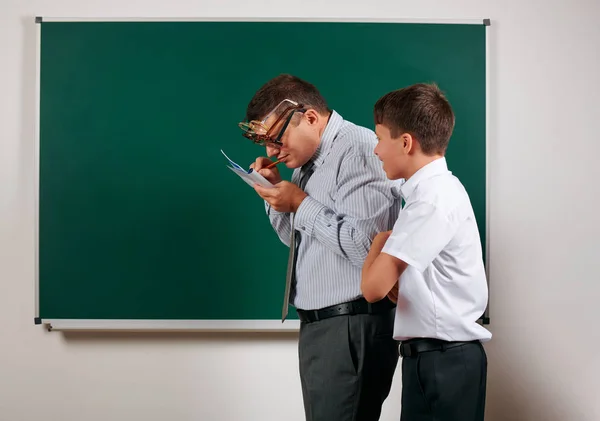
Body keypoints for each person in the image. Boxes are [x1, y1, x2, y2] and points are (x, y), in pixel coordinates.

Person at [238, 74, 402, 421]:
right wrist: (276, 194)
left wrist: (300, 203)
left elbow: (366, 250)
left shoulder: (358, 150)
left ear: (310, 118)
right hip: (320, 325)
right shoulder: (308, 160)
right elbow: (297, 241)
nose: (270, 152)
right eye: (264, 142)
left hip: (351, 324)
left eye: (276, 139)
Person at [361, 83, 491, 421]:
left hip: (445, 361)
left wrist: (379, 243)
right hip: (433, 357)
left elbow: (373, 289)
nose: (375, 150)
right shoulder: (426, 196)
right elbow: (397, 289)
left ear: (406, 143)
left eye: (379, 138)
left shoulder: (432, 200)